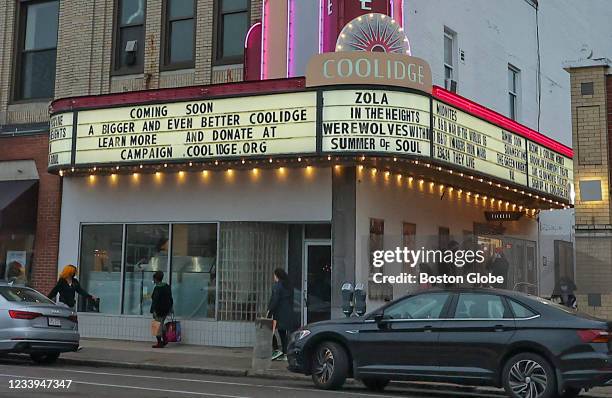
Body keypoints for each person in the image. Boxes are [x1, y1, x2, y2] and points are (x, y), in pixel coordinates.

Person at [267, 268, 295, 361]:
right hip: (287, 313)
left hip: (278, 313)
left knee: (269, 331)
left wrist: (269, 311)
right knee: (283, 333)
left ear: (277, 275)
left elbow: (275, 300)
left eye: (274, 275)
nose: (273, 277)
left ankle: (276, 350)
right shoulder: (288, 286)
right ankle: (285, 353)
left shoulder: (277, 286)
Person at [150, 271, 173, 348]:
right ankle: (165, 339)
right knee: (161, 323)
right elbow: (170, 298)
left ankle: (160, 342)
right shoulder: (167, 286)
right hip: (166, 309)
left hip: (158, 310)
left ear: (156, 279)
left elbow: (155, 301)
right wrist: (171, 308)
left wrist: (153, 310)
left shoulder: (157, 288)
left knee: (156, 326)